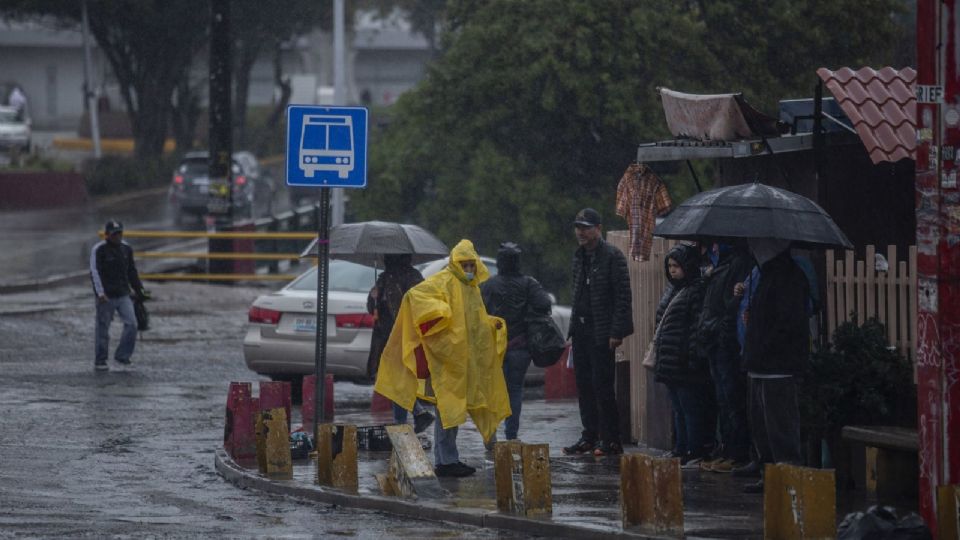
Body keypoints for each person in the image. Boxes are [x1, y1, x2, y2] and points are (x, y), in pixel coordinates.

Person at [374, 240, 510, 477]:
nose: (468, 269)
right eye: (464, 264)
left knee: (454, 409)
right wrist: (439, 314)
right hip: (447, 360)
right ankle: (447, 461)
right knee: (448, 408)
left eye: (471, 264)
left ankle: (448, 459)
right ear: (455, 263)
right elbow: (416, 297)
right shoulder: (444, 281)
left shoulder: (471, 288)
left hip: (463, 360)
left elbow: (470, 322)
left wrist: (489, 324)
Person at [739, 239, 810, 494]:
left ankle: (787, 473)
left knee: (780, 424)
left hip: (778, 364)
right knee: (762, 425)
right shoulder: (767, 275)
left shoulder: (789, 277)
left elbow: (787, 323)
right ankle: (768, 472)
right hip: (759, 362)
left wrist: (763, 343)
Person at [564, 208, 634, 457]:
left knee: (602, 385)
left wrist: (617, 331)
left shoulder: (612, 256)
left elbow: (623, 296)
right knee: (584, 385)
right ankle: (590, 434)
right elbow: (578, 292)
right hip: (581, 329)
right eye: (578, 227)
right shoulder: (579, 256)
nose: (580, 232)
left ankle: (611, 439)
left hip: (602, 331)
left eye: (585, 227)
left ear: (598, 229)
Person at [480, 242, 552, 441]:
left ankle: (490, 435)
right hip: (520, 348)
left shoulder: (488, 285)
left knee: (493, 392)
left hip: (494, 349)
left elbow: (478, 311)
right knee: (515, 391)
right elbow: (544, 303)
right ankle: (511, 435)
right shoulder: (529, 283)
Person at [652, 243, 714, 467]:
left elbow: (696, 327)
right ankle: (680, 446)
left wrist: (691, 356)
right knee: (678, 408)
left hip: (683, 360)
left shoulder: (695, 290)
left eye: (677, 265)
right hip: (670, 358)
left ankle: (694, 448)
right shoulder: (674, 290)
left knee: (690, 408)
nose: (672, 270)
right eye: (669, 266)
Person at [695, 242, 754, 473]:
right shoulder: (717, 266)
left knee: (732, 399)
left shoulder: (738, 263)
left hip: (724, 342)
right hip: (714, 339)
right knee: (723, 399)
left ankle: (737, 452)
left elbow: (731, 305)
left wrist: (721, 331)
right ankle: (728, 449)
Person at [366, 254, 434, 433]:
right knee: (397, 378)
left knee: (398, 378)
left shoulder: (406, 278)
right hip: (393, 337)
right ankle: (411, 417)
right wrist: (373, 297)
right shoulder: (387, 279)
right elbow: (371, 308)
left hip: (401, 337)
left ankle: (407, 419)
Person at [89, 220, 146, 371]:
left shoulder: (127, 249)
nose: (118, 236)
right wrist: (100, 293)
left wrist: (140, 290)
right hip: (106, 296)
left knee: (132, 324)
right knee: (103, 329)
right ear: (107, 235)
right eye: (114, 234)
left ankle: (123, 356)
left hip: (123, 294)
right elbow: (95, 272)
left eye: (120, 233)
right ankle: (100, 359)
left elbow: (132, 271)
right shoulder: (99, 249)